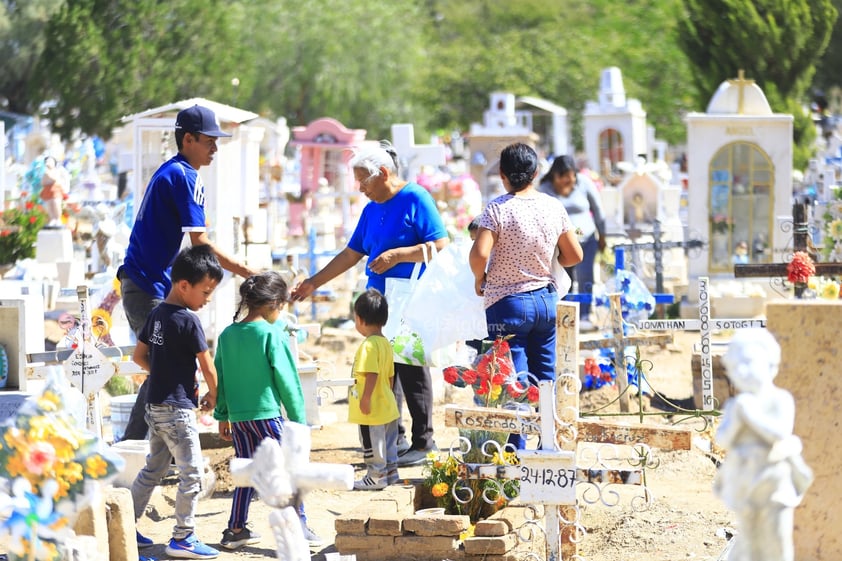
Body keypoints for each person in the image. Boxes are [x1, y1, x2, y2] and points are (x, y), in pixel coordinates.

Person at [290, 141, 448, 467]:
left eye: (364, 181)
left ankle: (424, 441)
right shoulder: (372, 208)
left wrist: (399, 255)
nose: (360, 189)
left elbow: (440, 244)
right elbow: (352, 253)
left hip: (410, 300)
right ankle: (396, 438)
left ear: (384, 174)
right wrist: (313, 283)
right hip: (381, 304)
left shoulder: (415, 198)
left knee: (410, 367)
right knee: (384, 367)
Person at [118, 104, 257, 442]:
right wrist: (244, 270)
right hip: (147, 285)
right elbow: (200, 242)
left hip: (144, 282)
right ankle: (134, 447)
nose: (215, 147)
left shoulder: (173, 171)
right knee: (164, 367)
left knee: (164, 368)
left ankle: (146, 449)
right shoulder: (185, 176)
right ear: (189, 139)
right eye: (209, 140)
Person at [470, 143, 583, 449]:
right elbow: (574, 255)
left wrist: (480, 278)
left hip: (507, 304)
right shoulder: (553, 207)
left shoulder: (497, 209)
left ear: (503, 175)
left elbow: (479, 254)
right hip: (545, 300)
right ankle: (549, 447)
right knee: (545, 377)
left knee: (515, 382)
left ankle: (516, 455)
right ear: (536, 173)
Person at [213, 271, 323, 549]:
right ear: (274, 302)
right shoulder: (272, 335)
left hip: (239, 419)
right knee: (287, 472)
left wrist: (222, 415)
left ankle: (235, 528)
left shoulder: (227, 335)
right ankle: (297, 526)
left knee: (246, 471)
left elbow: (221, 378)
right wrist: (299, 420)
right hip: (267, 417)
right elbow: (288, 381)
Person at [131, 245, 224, 559]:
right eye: (206, 292)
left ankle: (124, 525)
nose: (207, 299)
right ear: (184, 286)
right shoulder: (188, 320)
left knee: (153, 469)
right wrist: (214, 394)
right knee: (192, 473)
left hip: (154, 406)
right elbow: (208, 366)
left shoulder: (156, 313)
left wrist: (164, 370)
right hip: (177, 410)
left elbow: (138, 356)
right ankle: (183, 537)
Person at [713, 329, 813, 561]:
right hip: (746, 480)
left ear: (770, 364)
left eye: (748, 362)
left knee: (777, 542)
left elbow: (779, 433)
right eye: (736, 368)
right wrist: (737, 419)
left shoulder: (780, 400)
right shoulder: (736, 406)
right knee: (750, 542)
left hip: (775, 481)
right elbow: (723, 440)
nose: (743, 372)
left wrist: (750, 415)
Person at [537, 154, 606, 331]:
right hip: (559, 246)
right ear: (554, 176)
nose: (568, 180)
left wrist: (603, 235)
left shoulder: (584, 183)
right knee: (561, 279)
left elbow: (597, 209)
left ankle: (584, 315)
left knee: (585, 277)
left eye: (571, 175)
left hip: (587, 239)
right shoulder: (544, 189)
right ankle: (565, 317)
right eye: (563, 177)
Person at [348, 288, 400, 490]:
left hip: (372, 410)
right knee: (388, 442)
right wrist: (386, 394)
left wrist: (366, 398)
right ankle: (390, 472)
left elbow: (371, 373)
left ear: (360, 319)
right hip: (386, 403)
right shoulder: (385, 343)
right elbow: (390, 374)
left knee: (372, 442)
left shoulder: (369, 345)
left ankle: (375, 476)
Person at [40, 155, 67, 227]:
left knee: (56, 204)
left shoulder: (57, 171)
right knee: (49, 205)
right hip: (48, 191)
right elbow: (43, 182)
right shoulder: (45, 172)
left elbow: (55, 179)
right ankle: (52, 219)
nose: (47, 163)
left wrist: (48, 175)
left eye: (49, 161)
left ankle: (58, 219)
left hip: (56, 191)